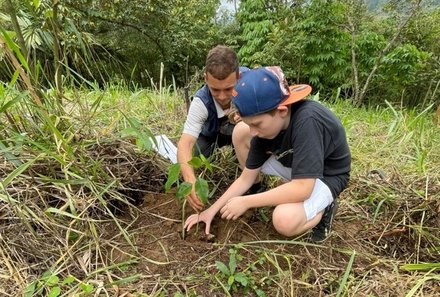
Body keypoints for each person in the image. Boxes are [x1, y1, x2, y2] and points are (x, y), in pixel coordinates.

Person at [184, 66, 351, 242]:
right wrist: (211, 211)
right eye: (250, 124)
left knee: (284, 220)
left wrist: (247, 202)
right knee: (241, 133)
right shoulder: (265, 128)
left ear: (282, 111)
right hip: (297, 165)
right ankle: (260, 190)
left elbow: (303, 188)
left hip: (326, 175)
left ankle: (325, 206)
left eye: (257, 124)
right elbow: (245, 179)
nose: (253, 132)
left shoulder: (307, 121)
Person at [177, 45, 254, 211]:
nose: (222, 97)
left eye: (228, 89)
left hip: (240, 132)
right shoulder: (201, 102)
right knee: (191, 160)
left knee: (248, 135)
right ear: (206, 79)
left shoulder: (252, 84)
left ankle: (253, 182)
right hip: (211, 135)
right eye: (215, 90)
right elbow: (186, 143)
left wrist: (248, 117)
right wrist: (190, 180)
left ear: (238, 77)